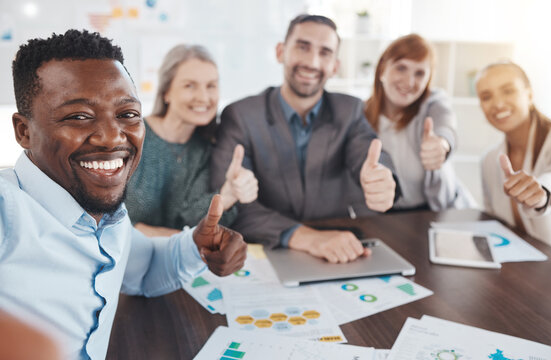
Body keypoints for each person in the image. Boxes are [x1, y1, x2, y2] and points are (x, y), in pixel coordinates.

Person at [0, 29, 247, 360]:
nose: (111, 137)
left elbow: (143, 270)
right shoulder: (8, 210)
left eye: (127, 114)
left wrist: (196, 246)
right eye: (78, 116)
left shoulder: (108, 214)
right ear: (24, 131)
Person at [211, 14, 400, 264]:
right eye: (303, 47)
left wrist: (382, 180)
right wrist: (307, 238)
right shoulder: (242, 115)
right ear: (281, 52)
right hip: (267, 250)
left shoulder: (350, 111)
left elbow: (369, 157)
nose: (312, 62)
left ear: (335, 66)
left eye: (325, 52)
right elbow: (228, 203)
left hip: (337, 251)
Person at [125, 44, 258, 237]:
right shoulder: (130, 137)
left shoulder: (205, 149)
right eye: (190, 85)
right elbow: (107, 219)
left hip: (174, 259)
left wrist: (229, 194)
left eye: (211, 86)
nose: (203, 97)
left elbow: (188, 220)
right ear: (166, 92)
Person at [476, 60, 551, 260]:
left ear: (530, 95)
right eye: (486, 96)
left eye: (508, 91)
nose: (498, 103)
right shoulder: (489, 160)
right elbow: (494, 224)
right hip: (523, 274)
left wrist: (542, 192)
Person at [365, 34, 475, 211]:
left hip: (438, 210)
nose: (409, 82)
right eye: (401, 68)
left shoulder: (433, 103)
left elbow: (445, 124)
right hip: (384, 216)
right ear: (382, 70)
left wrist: (441, 144)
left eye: (419, 73)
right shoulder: (360, 116)